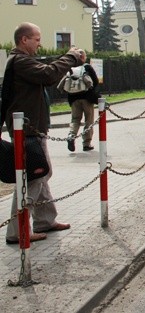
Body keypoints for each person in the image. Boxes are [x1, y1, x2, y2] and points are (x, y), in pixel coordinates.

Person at [2, 22, 82, 244]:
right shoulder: (20, 61)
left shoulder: (21, 61)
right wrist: (71, 57)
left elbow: (46, 71)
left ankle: (45, 220)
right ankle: (17, 231)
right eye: (36, 39)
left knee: (41, 174)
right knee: (34, 176)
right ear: (23, 40)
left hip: (30, 128)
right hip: (27, 131)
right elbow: (48, 74)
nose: (40, 43)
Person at [66, 50, 100, 152]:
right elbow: (95, 81)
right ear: (83, 57)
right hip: (87, 98)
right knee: (88, 120)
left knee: (75, 119)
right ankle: (86, 143)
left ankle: (71, 135)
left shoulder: (71, 68)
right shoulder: (87, 67)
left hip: (73, 98)